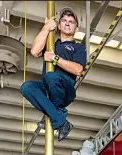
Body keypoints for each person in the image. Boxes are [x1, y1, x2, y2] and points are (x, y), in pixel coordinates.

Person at [20, 7, 86, 141]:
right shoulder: (51, 43)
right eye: (64, 21)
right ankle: (60, 120)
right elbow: (34, 51)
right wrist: (46, 28)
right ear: (59, 25)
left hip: (65, 88)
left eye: (71, 22)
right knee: (26, 87)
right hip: (48, 86)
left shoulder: (79, 47)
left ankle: (54, 115)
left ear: (76, 28)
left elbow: (78, 69)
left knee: (51, 76)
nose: (67, 23)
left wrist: (55, 59)